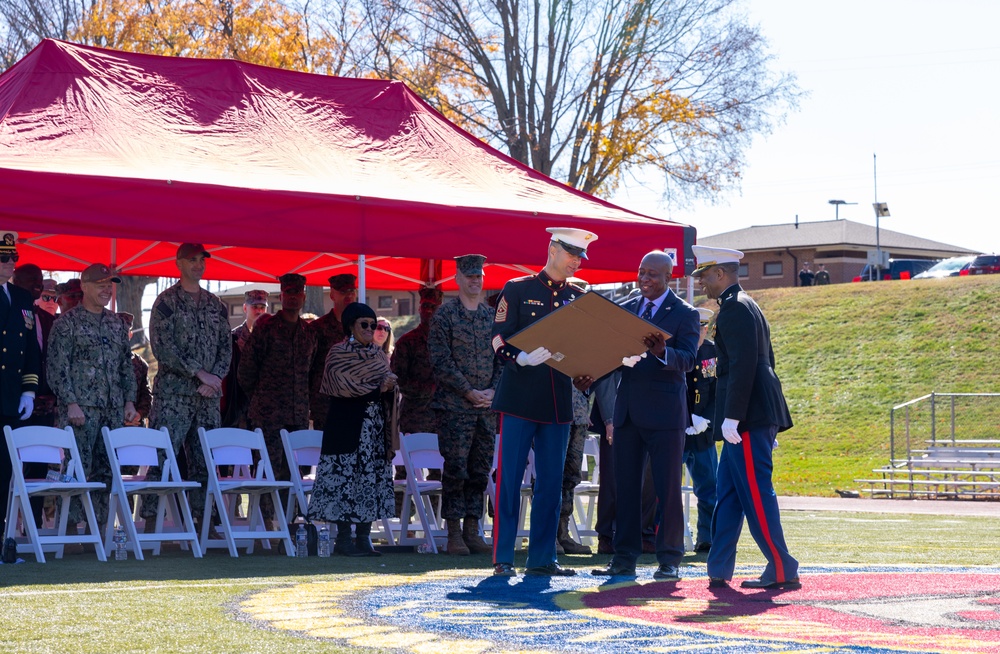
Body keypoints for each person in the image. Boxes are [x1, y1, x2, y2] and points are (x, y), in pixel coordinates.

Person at [490, 227, 597, 577]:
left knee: (551, 485)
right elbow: (497, 337)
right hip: (520, 398)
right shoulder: (518, 289)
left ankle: (542, 558)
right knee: (509, 482)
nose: (576, 262)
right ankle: (503, 557)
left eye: (580, 256)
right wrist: (517, 358)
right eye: (571, 254)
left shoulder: (579, 297)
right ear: (552, 249)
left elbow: (582, 349)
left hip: (557, 402)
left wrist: (591, 370)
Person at [691, 245, 799, 590]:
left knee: (754, 492)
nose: (702, 283)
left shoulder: (735, 309)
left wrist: (735, 417)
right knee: (730, 494)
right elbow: (763, 361)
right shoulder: (743, 305)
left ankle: (782, 565)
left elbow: (743, 367)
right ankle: (719, 567)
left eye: (705, 276)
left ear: (720, 274)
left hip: (747, 417)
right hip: (751, 416)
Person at [591, 251, 699, 581]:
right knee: (625, 488)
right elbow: (610, 355)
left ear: (670, 278)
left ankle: (669, 560)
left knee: (667, 489)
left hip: (665, 415)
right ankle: (624, 558)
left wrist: (662, 351)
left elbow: (689, 359)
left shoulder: (685, 314)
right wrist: (589, 371)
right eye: (642, 272)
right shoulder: (626, 308)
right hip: (627, 414)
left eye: (653, 274)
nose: (645, 279)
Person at [145, 243, 232, 533]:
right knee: (161, 456)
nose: (198, 265)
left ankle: (205, 522)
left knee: (206, 462)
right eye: (192, 260)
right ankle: (148, 521)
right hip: (174, 395)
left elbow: (225, 346)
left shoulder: (215, 304)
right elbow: (162, 346)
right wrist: (199, 374)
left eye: (201, 260)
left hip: (208, 398)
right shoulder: (166, 302)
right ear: (178, 263)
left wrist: (215, 378)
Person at [47, 264, 138, 529]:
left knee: (107, 469)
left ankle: (98, 527)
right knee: (77, 469)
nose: (107, 290)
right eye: (100, 285)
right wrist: (70, 402)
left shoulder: (116, 325)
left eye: (109, 285)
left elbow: (125, 365)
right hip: (80, 410)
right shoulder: (67, 324)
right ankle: (71, 528)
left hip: (111, 410)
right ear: (84, 287)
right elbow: (56, 367)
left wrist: (129, 401)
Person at [308, 302, 397, 557]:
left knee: (370, 479)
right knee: (344, 480)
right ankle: (344, 540)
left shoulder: (379, 355)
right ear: (350, 326)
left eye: (374, 325)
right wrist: (377, 388)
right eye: (365, 324)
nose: (371, 329)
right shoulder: (338, 353)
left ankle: (364, 538)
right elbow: (340, 386)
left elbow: (383, 387)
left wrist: (390, 386)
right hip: (345, 427)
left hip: (373, 429)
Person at [427, 254, 501, 556]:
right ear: (457, 278)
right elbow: (440, 361)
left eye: (478, 276)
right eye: (468, 275)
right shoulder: (445, 316)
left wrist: (492, 391)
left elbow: (502, 359)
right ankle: (454, 531)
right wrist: (468, 391)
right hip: (455, 408)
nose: (474, 280)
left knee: (480, 470)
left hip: (485, 408)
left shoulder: (491, 317)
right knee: (456, 469)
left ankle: (473, 528)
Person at [238, 273, 316, 525]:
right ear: (282, 296)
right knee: (267, 470)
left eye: (298, 293)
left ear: (303, 296)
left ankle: (290, 523)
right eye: (288, 293)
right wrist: (261, 398)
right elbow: (246, 371)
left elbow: (312, 372)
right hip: (269, 414)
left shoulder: (308, 332)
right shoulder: (266, 327)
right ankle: (264, 526)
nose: (293, 298)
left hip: (298, 414)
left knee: (294, 473)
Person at [0, 232, 41, 532]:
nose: (11, 263)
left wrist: (29, 390)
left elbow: (31, 350)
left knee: (4, 471)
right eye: (4, 258)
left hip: (10, 398)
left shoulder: (23, 297)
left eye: (14, 257)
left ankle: (2, 536)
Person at [684, 306, 719, 553]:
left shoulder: (712, 353)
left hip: (703, 431)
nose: (698, 332)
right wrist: (686, 419)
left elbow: (717, 391)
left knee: (708, 487)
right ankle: (664, 537)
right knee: (667, 488)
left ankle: (706, 537)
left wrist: (705, 419)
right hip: (678, 428)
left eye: (702, 328)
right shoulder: (679, 349)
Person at [307, 273, 357, 429]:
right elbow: (306, 368)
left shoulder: (362, 327)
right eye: (343, 292)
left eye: (351, 291)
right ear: (332, 295)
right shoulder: (317, 328)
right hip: (326, 406)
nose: (348, 295)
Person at [391, 286, 443, 435]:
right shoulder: (407, 342)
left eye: (433, 307)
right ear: (419, 308)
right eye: (425, 306)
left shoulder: (449, 341)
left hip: (445, 418)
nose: (429, 311)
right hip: (416, 417)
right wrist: (431, 389)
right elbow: (397, 378)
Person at [558, 386, 593, 555]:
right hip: (554, 411)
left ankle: (563, 534)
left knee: (571, 476)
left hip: (579, 412)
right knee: (552, 475)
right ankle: (548, 536)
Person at [117, 312, 153, 426]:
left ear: (130, 334)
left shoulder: (139, 363)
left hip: (134, 424)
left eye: (124, 332)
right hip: (110, 423)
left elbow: (146, 396)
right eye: (118, 332)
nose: (121, 336)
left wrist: (138, 414)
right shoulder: (103, 361)